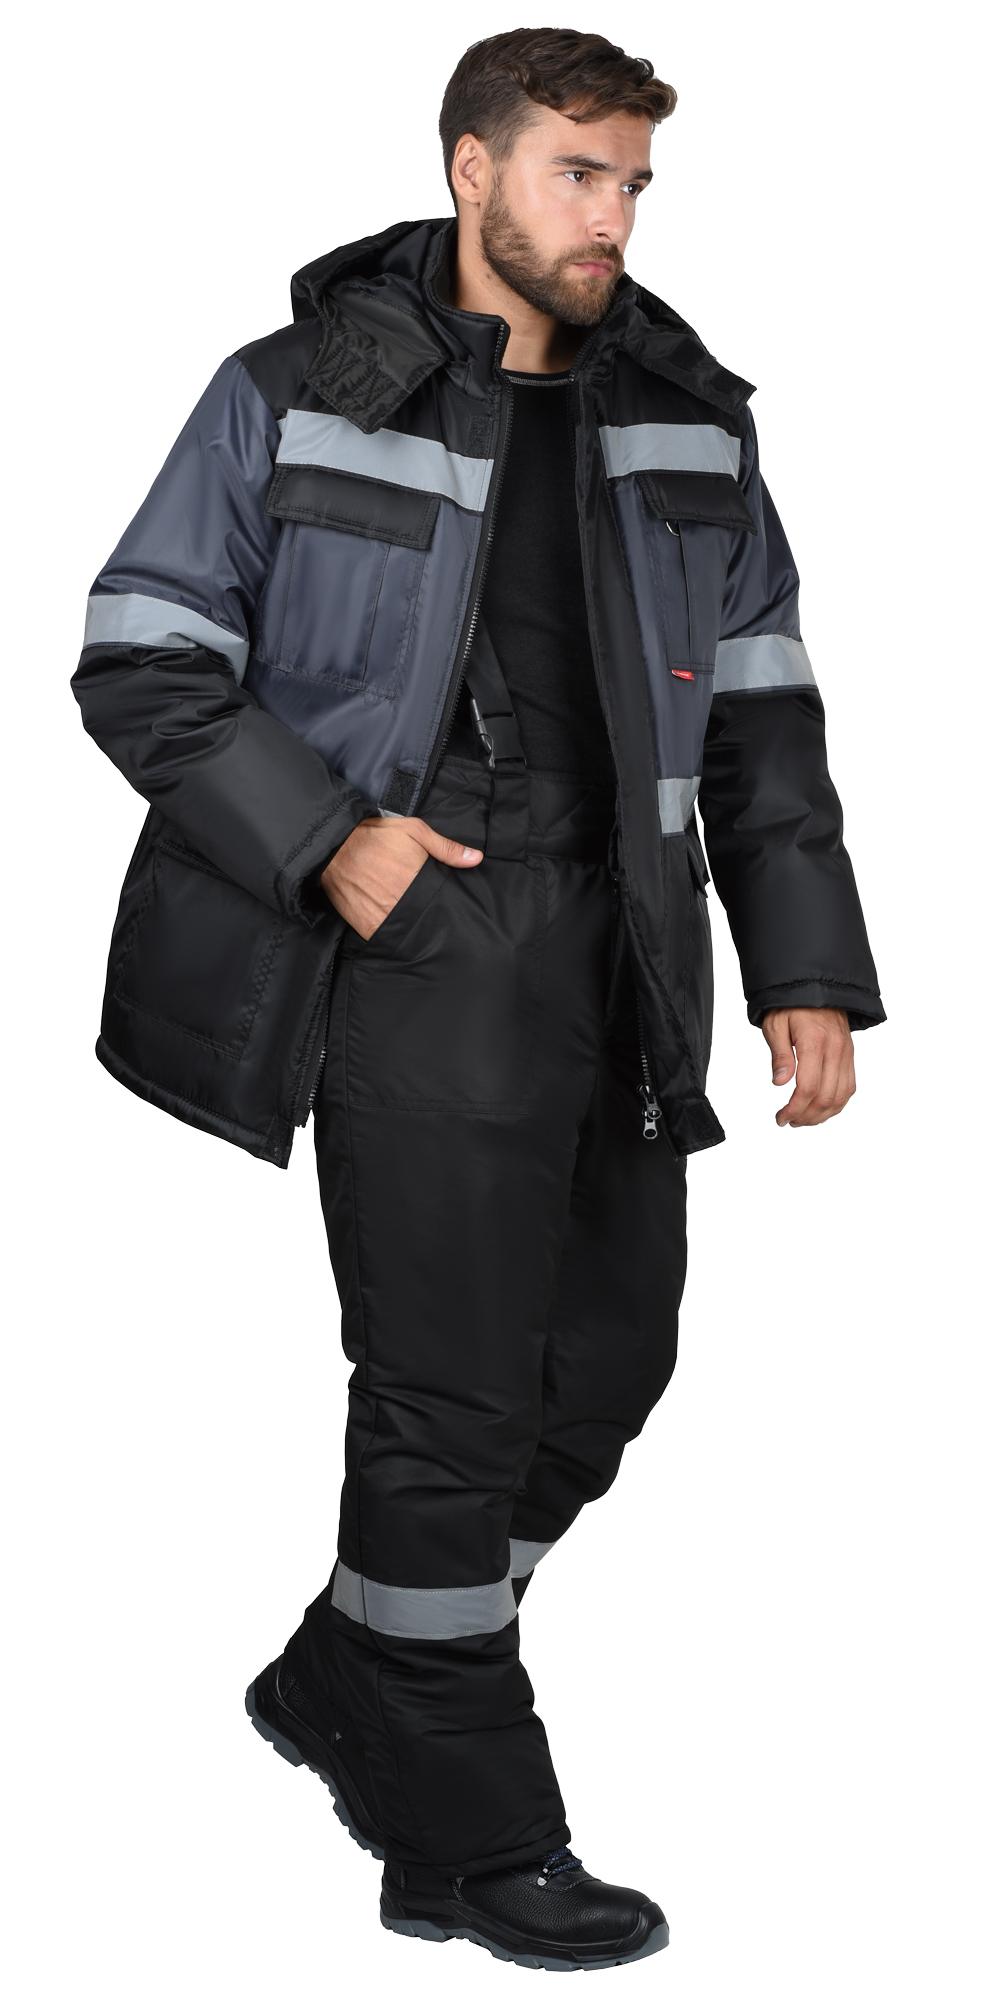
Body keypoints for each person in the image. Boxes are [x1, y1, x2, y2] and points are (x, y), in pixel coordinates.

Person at [72, 27, 884, 1972]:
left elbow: (765, 714)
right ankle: (477, 1822)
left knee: (607, 1366)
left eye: (633, 185)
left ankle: (356, 1670)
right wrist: (329, 841)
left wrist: (805, 966)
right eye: (575, 174)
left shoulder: (685, 416)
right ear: (470, 170)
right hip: (415, 929)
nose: (611, 218)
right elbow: (142, 650)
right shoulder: (295, 389)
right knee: (447, 1396)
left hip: (625, 942)